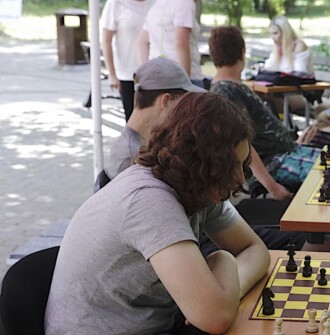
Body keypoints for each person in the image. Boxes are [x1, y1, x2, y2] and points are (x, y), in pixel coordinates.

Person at [45, 92, 272, 335]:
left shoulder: (196, 187)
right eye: (230, 167)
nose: (240, 179)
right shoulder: (149, 201)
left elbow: (256, 250)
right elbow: (215, 316)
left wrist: (226, 289)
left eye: (244, 163)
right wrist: (222, 260)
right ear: (199, 162)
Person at [104, 57, 308, 251]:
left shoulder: (146, 146)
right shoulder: (133, 162)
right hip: (189, 244)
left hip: (206, 227)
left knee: (303, 235)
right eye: (185, 103)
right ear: (167, 102)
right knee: (304, 239)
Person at [209, 26, 319, 192]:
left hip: (287, 152)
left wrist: (290, 142)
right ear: (242, 53)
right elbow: (241, 144)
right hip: (273, 163)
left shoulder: (231, 87)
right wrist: (272, 187)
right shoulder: (225, 92)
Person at [104, 57, 204, 179]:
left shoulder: (140, 144)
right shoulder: (133, 161)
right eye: (181, 104)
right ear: (167, 101)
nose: (183, 111)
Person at [101, 0, 155, 122]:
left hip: (153, 72)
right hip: (127, 72)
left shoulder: (156, 3)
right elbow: (106, 41)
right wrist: (112, 74)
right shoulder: (115, 4)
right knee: (131, 120)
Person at [138, 0, 207, 88]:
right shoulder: (185, 3)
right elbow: (181, 43)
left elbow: (142, 42)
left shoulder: (157, 4)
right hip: (184, 76)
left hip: (157, 77)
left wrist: (145, 75)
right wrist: (186, 84)